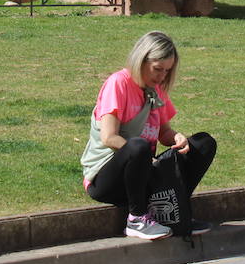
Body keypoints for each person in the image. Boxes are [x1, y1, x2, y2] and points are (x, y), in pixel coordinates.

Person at [81, 30, 217, 240]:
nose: (162, 76)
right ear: (141, 60)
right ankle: (136, 219)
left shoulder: (156, 89)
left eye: (167, 71)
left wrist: (177, 137)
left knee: (203, 143)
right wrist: (144, 159)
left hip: (142, 170)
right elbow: (109, 137)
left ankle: (172, 211)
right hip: (106, 178)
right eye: (157, 69)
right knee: (138, 146)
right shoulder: (119, 83)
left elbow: (163, 133)